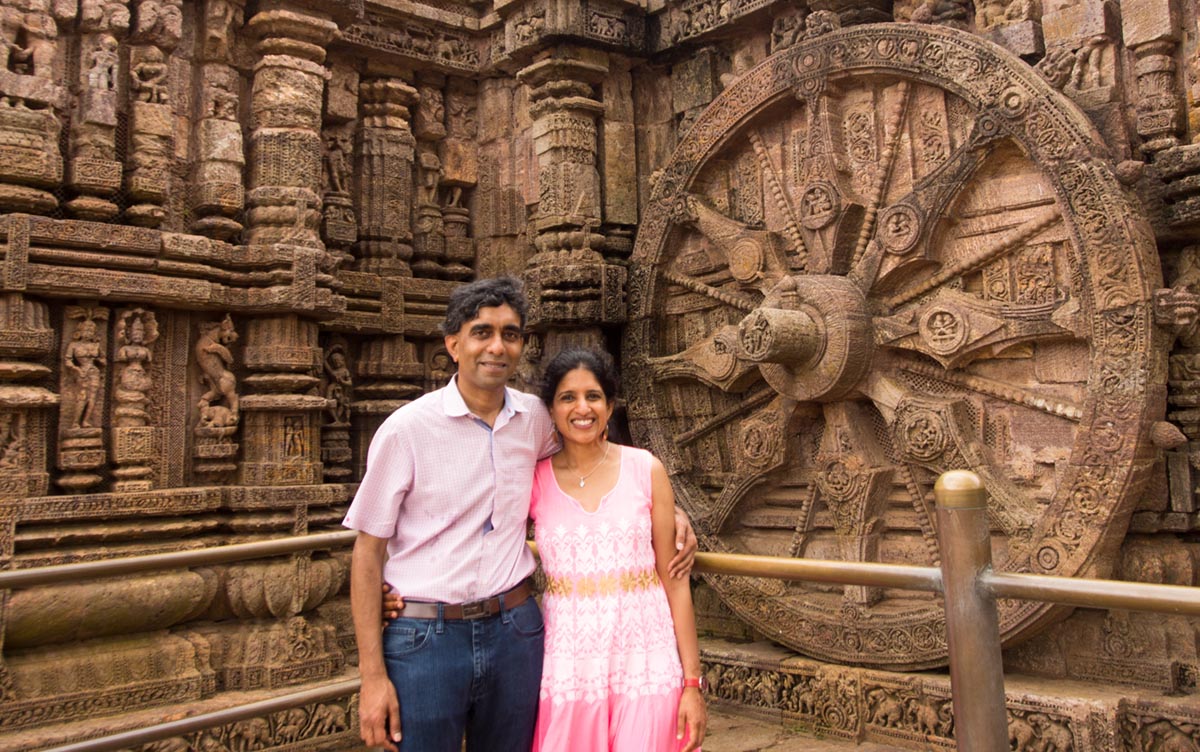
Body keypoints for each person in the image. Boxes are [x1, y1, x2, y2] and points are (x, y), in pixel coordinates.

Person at [345, 277, 697, 752]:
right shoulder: (406, 431)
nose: (497, 346)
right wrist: (372, 678)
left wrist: (668, 515)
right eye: (482, 332)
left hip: (515, 632)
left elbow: (592, 463)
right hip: (427, 635)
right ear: (453, 344)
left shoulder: (533, 419)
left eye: (510, 334)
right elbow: (368, 551)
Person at [531, 347, 706, 751]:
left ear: (610, 406)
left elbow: (675, 581)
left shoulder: (646, 469)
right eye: (567, 397)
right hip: (571, 670)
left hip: (646, 661)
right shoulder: (535, 480)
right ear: (552, 410)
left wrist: (692, 682)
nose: (582, 408)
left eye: (593, 396)